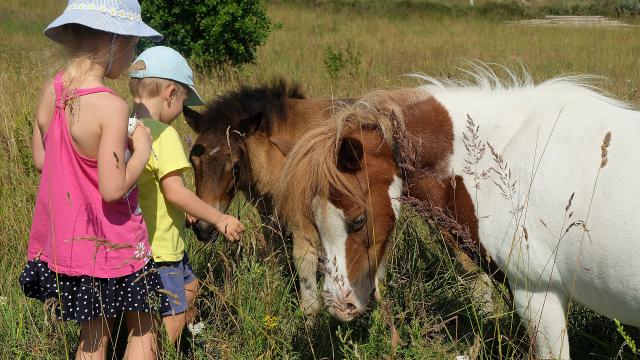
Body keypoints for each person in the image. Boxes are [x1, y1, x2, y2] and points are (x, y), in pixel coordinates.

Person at [19, 1, 170, 359]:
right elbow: (113, 188)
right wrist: (143, 152)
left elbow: (42, 160)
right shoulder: (111, 107)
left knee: (92, 338)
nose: (132, 58)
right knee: (145, 324)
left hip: (70, 246)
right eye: (133, 48)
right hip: (116, 245)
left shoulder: (52, 89)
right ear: (115, 42)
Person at [128, 46, 245, 343]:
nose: (183, 110)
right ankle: (159, 348)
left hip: (138, 247)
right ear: (169, 93)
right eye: (183, 100)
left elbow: (151, 189)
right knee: (173, 315)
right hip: (163, 250)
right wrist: (218, 218)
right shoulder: (164, 135)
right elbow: (174, 190)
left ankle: (165, 342)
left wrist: (185, 209)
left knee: (191, 288)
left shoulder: (125, 129)